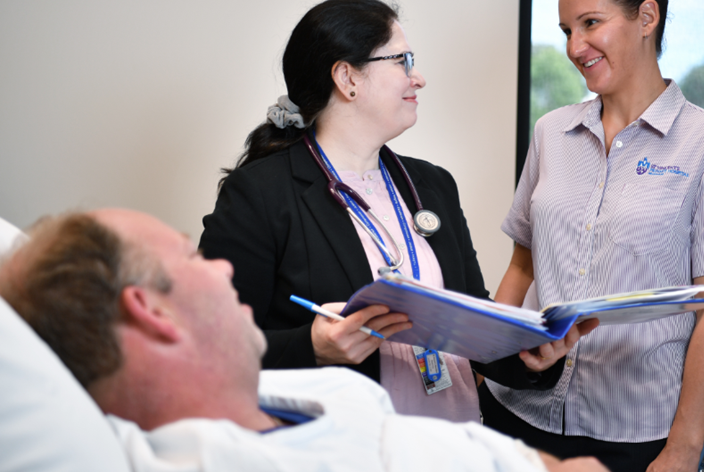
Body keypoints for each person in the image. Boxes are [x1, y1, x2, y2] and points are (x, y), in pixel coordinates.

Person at [198, 0, 590, 423]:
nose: (417, 78)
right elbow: (209, 350)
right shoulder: (261, 194)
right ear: (347, 78)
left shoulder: (433, 186)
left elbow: (472, 328)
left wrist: (532, 355)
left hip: (454, 446)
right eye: (403, 61)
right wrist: (312, 347)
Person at [0, 208, 609, 472]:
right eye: (191, 256)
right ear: (150, 309)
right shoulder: (206, 456)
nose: (221, 269)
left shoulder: (312, 399)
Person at [482, 1, 704, 471]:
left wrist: (683, 449)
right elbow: (522, 267)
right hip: (514, 412)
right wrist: (480, 374)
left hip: (634, 435)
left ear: (647, 18)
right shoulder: (551, 132)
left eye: (591, 24)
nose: (574, 46)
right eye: (567, 30)